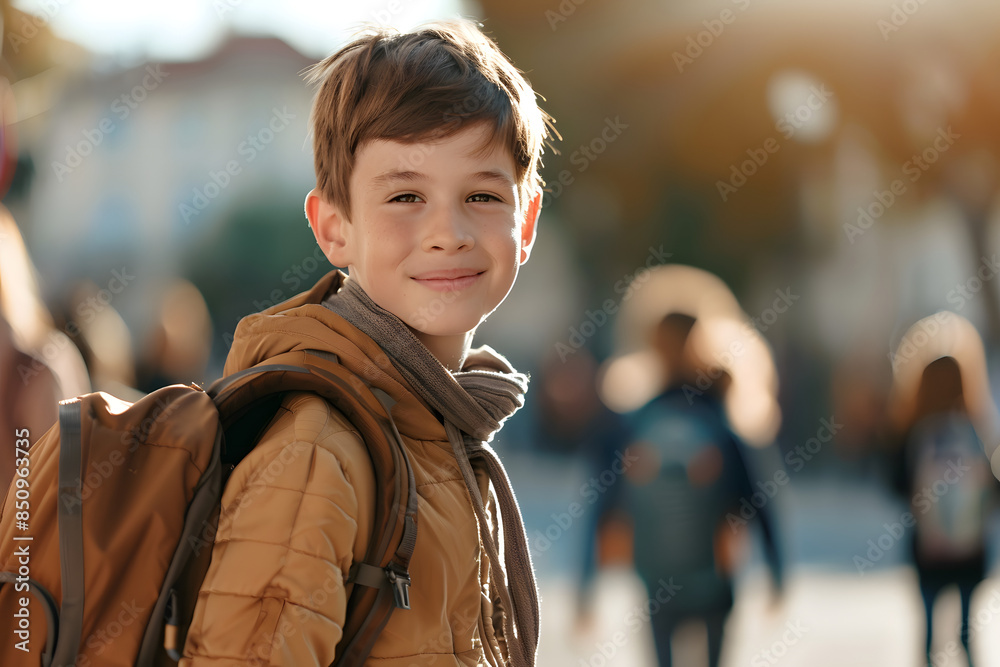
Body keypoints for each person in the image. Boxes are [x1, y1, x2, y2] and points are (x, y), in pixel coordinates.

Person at [181, 20, 555, 667]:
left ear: (524, 222)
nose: (449, 231)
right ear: (334, 227)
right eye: (406, 195)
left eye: (482, 194)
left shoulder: (441, 425)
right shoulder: (317, 451)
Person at [621, 313, 783, 667]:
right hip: (715, 571)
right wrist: (777, 570)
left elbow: (607, 499)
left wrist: (586, 582)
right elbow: (758, 494)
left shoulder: (642, 415)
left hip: (657, 570)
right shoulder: (720, 410)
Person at [891, 354, 997, 667]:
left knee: (927, 633)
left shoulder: (914, 432)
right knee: (966, 632)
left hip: (928, 549)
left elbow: (897, 482)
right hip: (971, 548)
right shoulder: (976, 430)